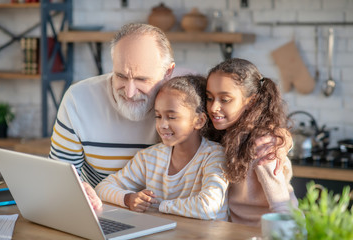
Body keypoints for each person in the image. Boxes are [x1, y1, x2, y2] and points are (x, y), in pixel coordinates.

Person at [48, 23, 289, 210]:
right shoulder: (78, 99)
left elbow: (238, 117)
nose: (130, 92)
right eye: (120, 75)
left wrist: (278, 137)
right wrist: (80, 190)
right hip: (109, 211)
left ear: (168, 72)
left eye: (142, 79)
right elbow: (58, 175)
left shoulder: (187, 95)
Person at [95, 75, 228, 220]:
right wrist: (128, 198)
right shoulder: (150, 157)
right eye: (158, 116)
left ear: (199, 121)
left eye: (171, 117)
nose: (162, 125)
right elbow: (103, 188)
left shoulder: (214, 155)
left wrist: (158, 206)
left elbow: (208, 207)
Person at [205, 58, 298, 226]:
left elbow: (283, 208)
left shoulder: (264, 146)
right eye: (209, 98)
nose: (213, 107)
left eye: (225, 99)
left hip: (265, 232)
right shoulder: (218, 135)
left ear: (251, 102)